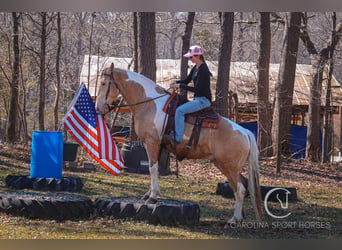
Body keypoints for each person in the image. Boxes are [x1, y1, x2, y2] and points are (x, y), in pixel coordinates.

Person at [167, 45, 212, 144]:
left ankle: (177, 138)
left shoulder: (203, 70)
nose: (190, 59)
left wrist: (179, 86)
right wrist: (176, 82)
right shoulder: (195, 68)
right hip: (197, 99)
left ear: (198, 56)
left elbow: (197, 89)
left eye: (191, 57)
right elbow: (186, 80)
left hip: (203, 100)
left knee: (179, 111)